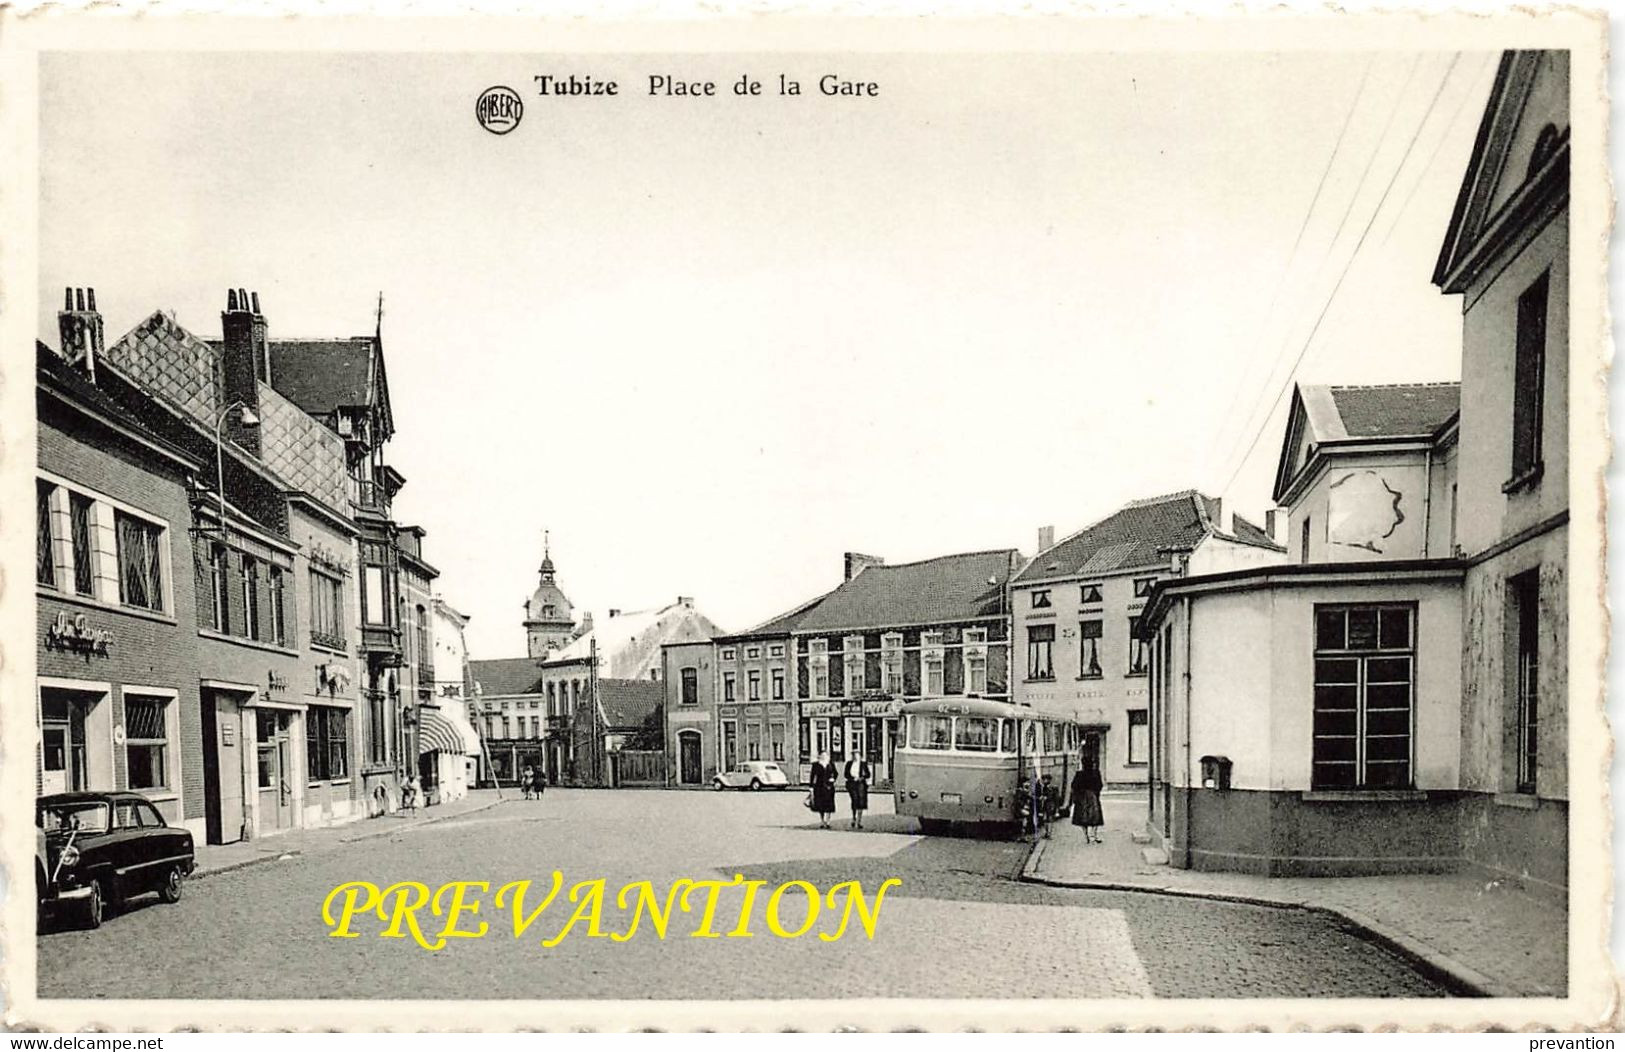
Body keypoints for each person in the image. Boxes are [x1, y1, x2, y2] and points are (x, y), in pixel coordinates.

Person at [1070, 755, 1105, 843]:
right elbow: (1100, 785)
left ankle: (1086, 836)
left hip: (1082, 798)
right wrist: (1096, 793)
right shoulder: (1096, 773)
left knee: (1082, 818)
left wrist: (1077, 795)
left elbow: (1074, 786)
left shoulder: (1079, 774)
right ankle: (1093, 835)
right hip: (1093, 796)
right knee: (1095, 818)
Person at [809, 751, 838, 829]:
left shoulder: (831, 764)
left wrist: (833, 779)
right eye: (822, 755)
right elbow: (812, 776)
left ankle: (828, 821)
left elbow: (836, 773)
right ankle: (822, 821)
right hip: (819, 787)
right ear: (820, 756)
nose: (824, 757)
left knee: (829, 804)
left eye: (825, 755)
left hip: (829, 787)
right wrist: (811, 787)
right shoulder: (816, 765)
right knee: (820, 805)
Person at [843, 752, 872, 830]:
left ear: (860, 756)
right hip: (852, 784)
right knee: (854, 800)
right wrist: (852, 778)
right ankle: (854, 818)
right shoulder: (849, 764)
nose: (856, 757)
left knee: (861, 802)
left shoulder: (863, 764)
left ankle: (859, 821)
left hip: (861, 784)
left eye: (857, 755)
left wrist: (861, 778)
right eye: (854, 756)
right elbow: (845, 774)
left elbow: (868, 774)